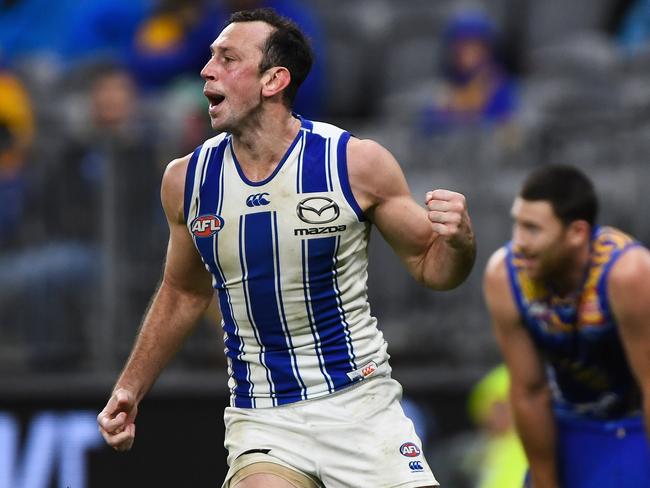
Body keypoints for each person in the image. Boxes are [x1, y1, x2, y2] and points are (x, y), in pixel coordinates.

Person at [96, 8, 475, 487]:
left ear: (274, 80)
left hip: (361, 408)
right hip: (265, 418)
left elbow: (433, 267)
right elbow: (183, 291)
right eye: (210, 57)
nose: (206, 70)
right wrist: (130, 387)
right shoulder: (186, 180)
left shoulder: (355, 164)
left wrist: (460, 243)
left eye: (227, 59)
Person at [483, 165, 650, 488]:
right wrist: (545, 481)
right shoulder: (505, 275)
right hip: (568, 424)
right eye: (516, 224)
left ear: (576, 233)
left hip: (633, 425)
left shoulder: (629, 273)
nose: (518, 242)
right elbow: (529, 391)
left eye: (532, 229)